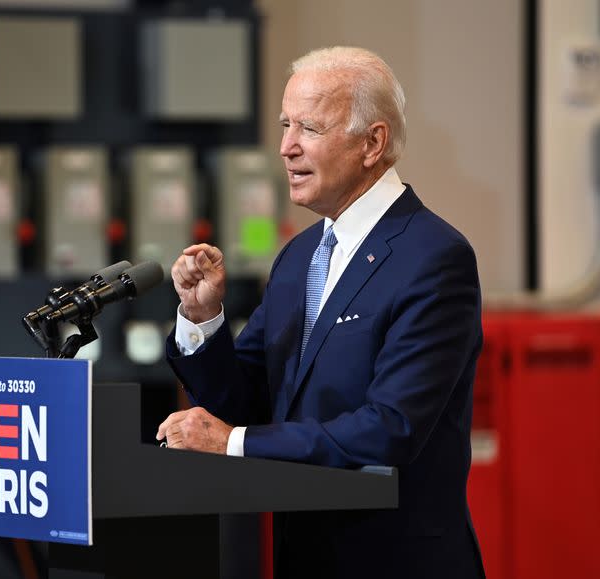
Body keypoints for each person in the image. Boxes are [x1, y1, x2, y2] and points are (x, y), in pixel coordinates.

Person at [157, 46, 486, 579]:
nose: (286, 148)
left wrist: (233, 443)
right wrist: (204, 319)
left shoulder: (434, 256)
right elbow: (243, 401)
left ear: (372, 143)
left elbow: (391, 427)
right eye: (285, 124)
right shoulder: (299, 255)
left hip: (395, 563)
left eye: (309, 127)